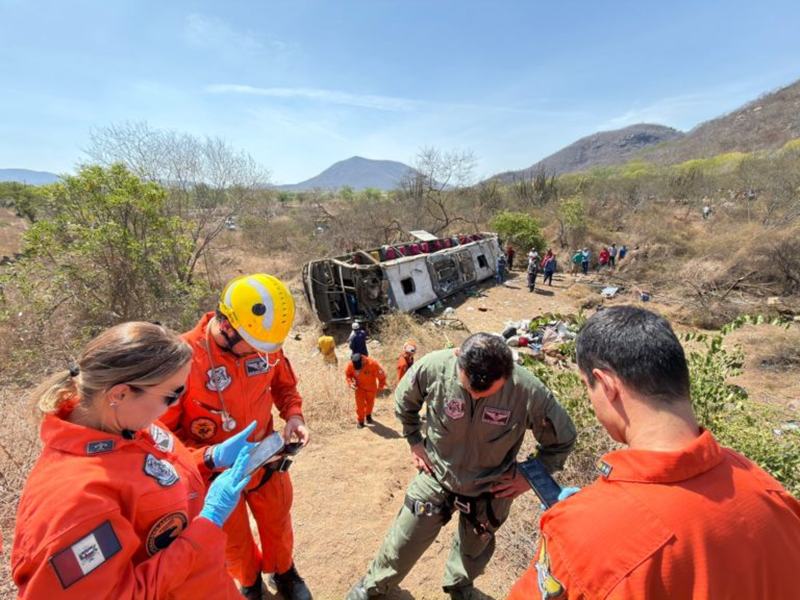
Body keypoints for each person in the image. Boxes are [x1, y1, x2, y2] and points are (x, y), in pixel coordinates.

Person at [508, 306, 800, 600]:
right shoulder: (772, 494)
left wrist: (591, 520)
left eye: (588, 387)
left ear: (607, 385)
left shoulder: (581, 537)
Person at [11, 322, 253, 599]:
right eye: (171, 395)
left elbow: (149, 476)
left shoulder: (129, 422)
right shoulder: (77, 504)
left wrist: (209, 458)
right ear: (120, 393)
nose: (176, 404)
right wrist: (207, 524)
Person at [347, 333, 576, 600]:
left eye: (486, 393)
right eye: (468, 388)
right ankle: (372, 588)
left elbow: (563, 439)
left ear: (507, 374)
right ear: (457, 357)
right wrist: (414, 441)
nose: (474, 395)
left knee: (472, 554)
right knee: (403, 541)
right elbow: (403, 401)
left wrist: (528, 476)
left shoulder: (527, 390)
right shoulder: (434, 367)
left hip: (491, 488)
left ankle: (460, 589)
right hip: (436, 474)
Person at [162, 274, 312, 600]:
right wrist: (209, 457)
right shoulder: (182, 360)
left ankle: (284, 572)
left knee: (278, 524)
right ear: (227, 326)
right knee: (232, 540)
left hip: (267, 461)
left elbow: (284, 386)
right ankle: (249, 582)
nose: (261, 352)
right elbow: (165, 440)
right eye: (254, 345)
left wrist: (294, 415)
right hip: (215, 476)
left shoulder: (263, 342)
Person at [345, 353, 387, 428]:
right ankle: (360, 421)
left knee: (370, 404)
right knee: (360, 405)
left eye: (359, 368)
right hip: (359, 388)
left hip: (371, 388)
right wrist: (350, 383)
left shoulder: (372, 364)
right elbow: (348, 375)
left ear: (362, 361)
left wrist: (381, 386)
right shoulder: (351, 365)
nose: (358, 370)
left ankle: (368, 415)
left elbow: (382, 375)